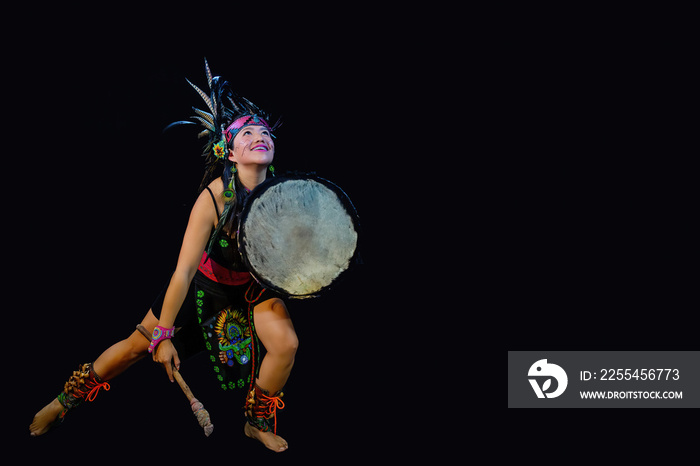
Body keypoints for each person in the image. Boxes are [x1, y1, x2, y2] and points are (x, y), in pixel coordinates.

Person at [29, 61, 297, 453]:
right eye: (247, 132)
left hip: (253, 290)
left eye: (265, 132)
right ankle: (64, 401)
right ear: (230, 151)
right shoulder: (211, 198)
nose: (259, 136)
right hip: (205, 284)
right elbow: (185, 269)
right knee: (135, 347)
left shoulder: (286, 193)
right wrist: (165, 333)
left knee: (286, 344)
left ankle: (256, 422)